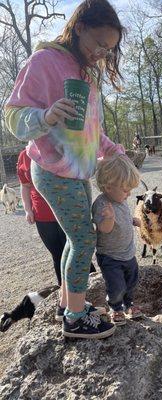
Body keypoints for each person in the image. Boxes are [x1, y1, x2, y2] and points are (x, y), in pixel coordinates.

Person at [5, 0, 125, 339]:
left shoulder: (88, 71)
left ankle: (66, 303)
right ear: (80, 26)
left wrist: (114, 150)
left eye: (109, 49)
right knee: (85, 238)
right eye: (100, 43)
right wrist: (44, 117)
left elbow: (91, 130)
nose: (102, 53)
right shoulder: (44, 61)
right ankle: (74, 318)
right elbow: (13, 114)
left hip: (78, 171)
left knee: (77, 238)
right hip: (52, 169)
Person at [17, 149, 97, 289]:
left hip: (68, 210)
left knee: (77, 247)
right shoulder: (25, 155)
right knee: (57, 253)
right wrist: (27, 209)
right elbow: (25, 186)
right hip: (43, 215)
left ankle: (91, 284)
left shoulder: (61, 148)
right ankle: (64, 290)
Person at [92, 155, 143, 326]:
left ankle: (130, 304)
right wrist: (109, 219)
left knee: (131, 281)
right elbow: (104, 229)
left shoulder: (120, 199)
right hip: (110, 256)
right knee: (116, 286)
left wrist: (133, 220)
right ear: (107, 187)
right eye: (125, 189)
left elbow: (124, 217)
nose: (129, 194)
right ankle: (116, 307)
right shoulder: (102, 205)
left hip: (128, 253)